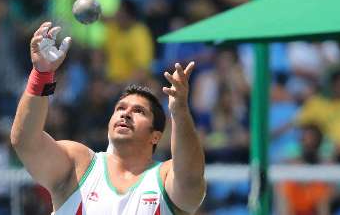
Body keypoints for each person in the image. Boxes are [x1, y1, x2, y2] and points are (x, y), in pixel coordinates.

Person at [10, 22, 206, 214]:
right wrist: (42, 74)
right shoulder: (80, 165)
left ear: (155, 136)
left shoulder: (164, 177)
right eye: (120, 108)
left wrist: (180, 112)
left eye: (139, 111)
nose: (126, 113)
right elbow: (26, 142)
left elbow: (190, 179)